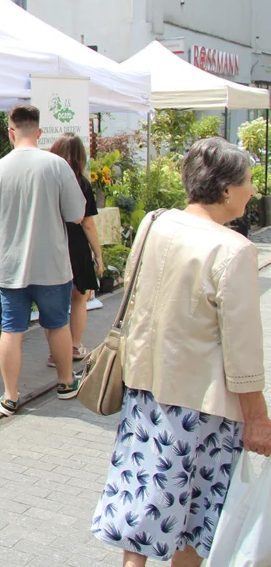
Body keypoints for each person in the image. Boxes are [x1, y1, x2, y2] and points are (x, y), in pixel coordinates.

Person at [90, 137, 271, 566]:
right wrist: (258, 416)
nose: (254, 191)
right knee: (193, 519)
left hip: (144, 390)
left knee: (144, 506)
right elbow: (242, 350)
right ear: (226, 190)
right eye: (248, 182)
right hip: (201, 406)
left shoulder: (155, 223)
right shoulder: (234, 249)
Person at [0, 105, 86, 416]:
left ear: (10, 132)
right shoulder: (57, 166)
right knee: (57, 324)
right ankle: (66, 382)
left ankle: (10, 396)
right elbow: (76, 214)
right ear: (39, 133)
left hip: (10, 266)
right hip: (51, 264)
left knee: (12, 329)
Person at [47, 133, 103, 368]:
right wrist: (98, 254)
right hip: (76, 243)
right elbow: (87, 223)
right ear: (81, 156)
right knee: (79, 298)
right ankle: (74, 346)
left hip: (51, 241)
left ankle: (54, 353)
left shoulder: (46, 182)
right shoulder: (81, 183)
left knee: (53, 301)